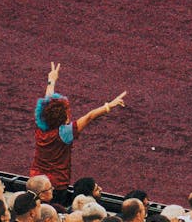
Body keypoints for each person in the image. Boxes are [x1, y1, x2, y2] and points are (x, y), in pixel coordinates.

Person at [30, 63, 126, 206]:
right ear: (62, 117)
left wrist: (52, 80)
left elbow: (48, 104)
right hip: (57, 184)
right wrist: (109, 106)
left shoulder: (40, 127)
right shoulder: (65, 133)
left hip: (36, 181)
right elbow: (89, 116)